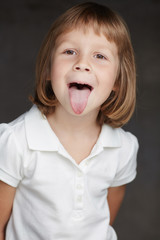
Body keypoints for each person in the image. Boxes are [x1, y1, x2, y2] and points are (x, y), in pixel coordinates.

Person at [0, 2, 139, 240]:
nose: (82, 63)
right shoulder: (16, 141)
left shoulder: (123, 147)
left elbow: (106, 215)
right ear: (48, 69)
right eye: (69, 51)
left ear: (118, 80)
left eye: (99, 56)